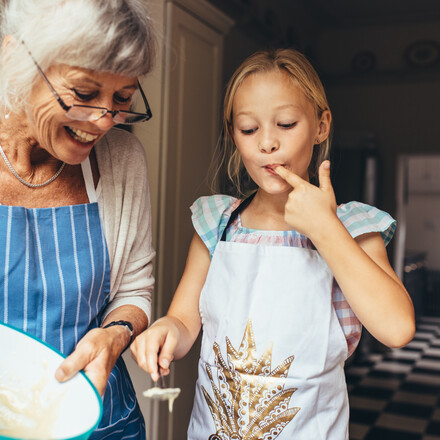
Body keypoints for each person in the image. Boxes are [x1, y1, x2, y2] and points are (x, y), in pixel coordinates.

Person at [131, 48, 415, 439]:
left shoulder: (353, 227)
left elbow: (397, 328)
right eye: (249, 129)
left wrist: (326, 229)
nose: (267, 143)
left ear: (321, 125)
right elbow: (183, 321)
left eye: (285, 123)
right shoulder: (217, 223)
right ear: (234, 135)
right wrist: (165, 331)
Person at [0, 0, 156, 438]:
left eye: (122, 98)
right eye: (85, 94)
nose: (105, 120)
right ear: (16, 60)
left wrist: (116, 333)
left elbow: (135, 288)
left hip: (103, 423)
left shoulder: (123, 162)